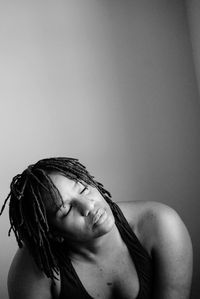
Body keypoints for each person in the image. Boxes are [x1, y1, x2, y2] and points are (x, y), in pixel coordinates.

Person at [0, 157, 193, 299]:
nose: (88, 206)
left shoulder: (160, 223)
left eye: (84, 189)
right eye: (66, 210)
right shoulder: (30, 274)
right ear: (54, 234)